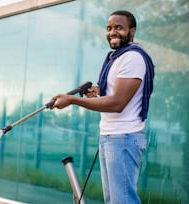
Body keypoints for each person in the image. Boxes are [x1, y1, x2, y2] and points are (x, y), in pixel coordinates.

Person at [51, 10, 155, 204]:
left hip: (123, 137)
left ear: (132, 31)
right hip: (112, 136)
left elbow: (117, 103)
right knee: (113, 200)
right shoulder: (117, 58)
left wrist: (72, 100)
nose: (112, 32)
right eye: (109, 28)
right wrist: (99, 91)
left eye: (119, 27)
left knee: (122, 200)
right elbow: (117, 92)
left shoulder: (132, 58)